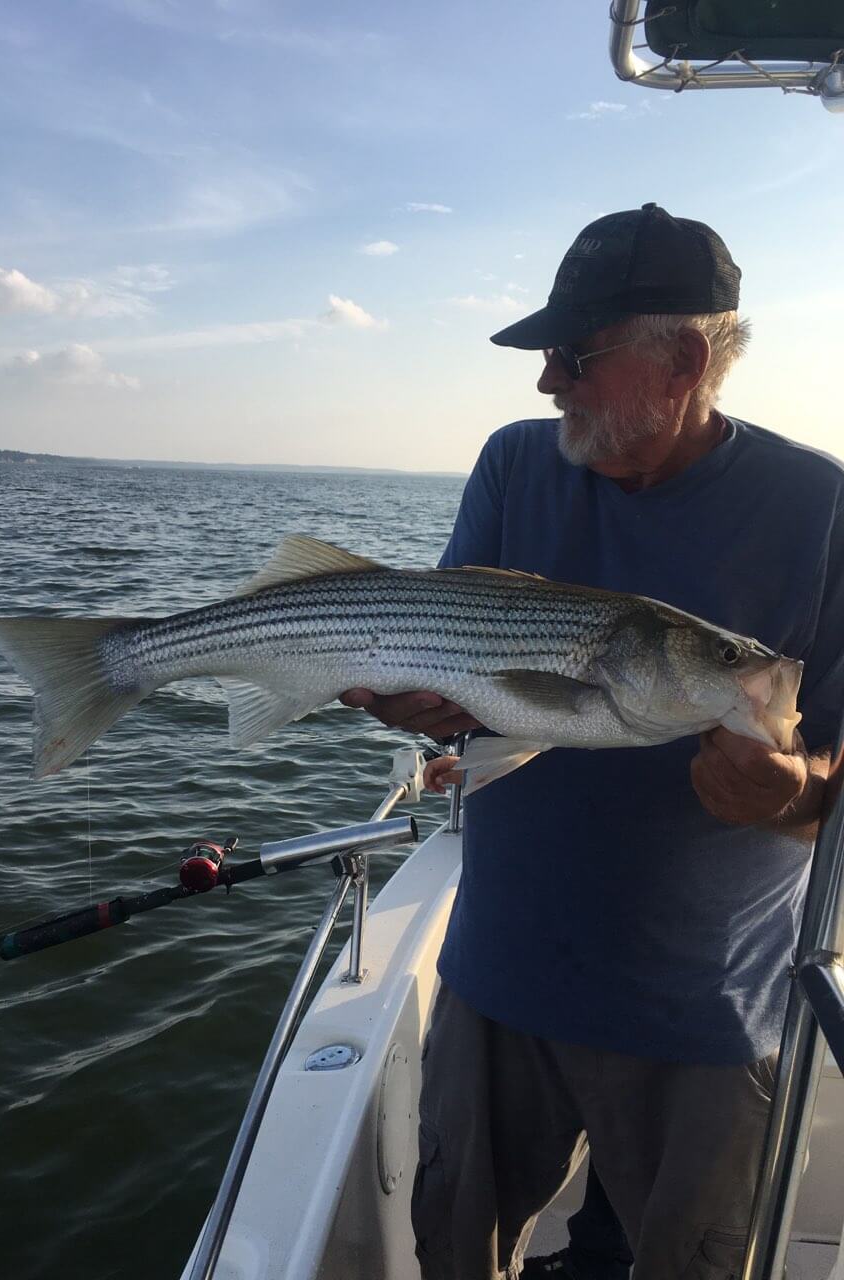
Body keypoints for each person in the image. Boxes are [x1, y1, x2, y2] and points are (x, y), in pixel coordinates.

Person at [341, 203, 844, 1280]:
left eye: (573, 355)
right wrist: (426, 703)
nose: (546, 383)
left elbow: (831, 766)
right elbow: (458, 666)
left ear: (685, 359)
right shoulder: (517, 464)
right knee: (454, 1247)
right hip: (498, 977)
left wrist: (794, 791)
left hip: (705, 1010)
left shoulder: (822, 509)